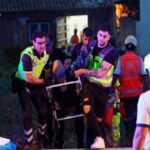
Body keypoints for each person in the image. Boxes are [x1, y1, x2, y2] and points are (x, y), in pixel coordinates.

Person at [75, 24, 118, 149]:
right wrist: (80, 59)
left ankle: (99, 141)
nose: (101, 38)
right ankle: (97, 139)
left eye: (105, 36)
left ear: (109, 37)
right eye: (100, 35)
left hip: (103, 88)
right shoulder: (92, 44)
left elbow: (100, 73)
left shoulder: (112, 52)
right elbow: (85, 60)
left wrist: (83, 71)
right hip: (89, 84)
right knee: (87, 109)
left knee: (99, 119)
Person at [14, 31, 51, 150]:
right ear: (33, 43)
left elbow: (46, 69)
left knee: (44, 111)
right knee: (27, 113)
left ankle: (41, 135)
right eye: (39, 43)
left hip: (36, 84)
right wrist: (43, 81)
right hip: (23, 83)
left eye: (44, 43)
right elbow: (29, 78)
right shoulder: (27, 55)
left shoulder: (47, 53)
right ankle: (29, 142)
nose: (42, 46)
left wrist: (50, 77)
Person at [113, 35, 147, 146]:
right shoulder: (139, 59)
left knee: (126, 118)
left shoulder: (120, 60)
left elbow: (115, 77)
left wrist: (114, 89)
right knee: (136, 117)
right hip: (138, 95)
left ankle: (128, 138)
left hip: (124, 96)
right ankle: (133, 139)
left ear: (125, 47)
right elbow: (144, 76)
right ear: (135, 47)